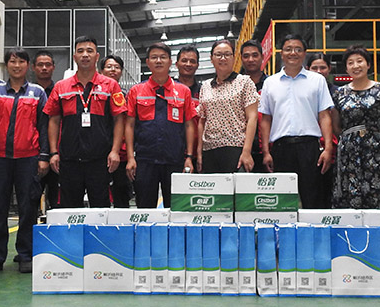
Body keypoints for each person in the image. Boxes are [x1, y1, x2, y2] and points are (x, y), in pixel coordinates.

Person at [0, 49, 50, 274]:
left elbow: (44, 127)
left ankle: (25, 255)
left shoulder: (37, 93)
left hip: (29, 159)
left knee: (28, 208)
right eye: (13, 62)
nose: (17, 66)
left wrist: (44, 156)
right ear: (6, 65)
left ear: (28, 66)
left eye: (21, 62)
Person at [45, 36, 127, 208]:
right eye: (80, 51)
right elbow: (53, 120)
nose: (85, 55)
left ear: (97, 56)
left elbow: (119, 119)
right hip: (69, 159)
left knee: (100, 209)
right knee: (69, 210)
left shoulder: (111, 86)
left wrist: (115, 151)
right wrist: (53, 153)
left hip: (100, 160)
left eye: (90, 51)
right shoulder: (61, 87)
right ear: (74, 57)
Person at [258, 33, 335, 209]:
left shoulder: (317, 81)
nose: (293, 53)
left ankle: (313, 227)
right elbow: (266, 119)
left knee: (312, 198)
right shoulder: (270, 83)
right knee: (282, 202)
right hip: (280, 149)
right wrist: (266, 152)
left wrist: (328, 148)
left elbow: (324, 116)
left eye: (298, 49)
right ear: (281, 53)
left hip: (310, 148)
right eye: (288, 49)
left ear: (304, 54)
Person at [125, 43, 197, 208]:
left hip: (175, 159)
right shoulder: (136, 91)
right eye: (154, 57)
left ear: (170, 62)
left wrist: (189, 157)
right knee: (145, 209)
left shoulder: (183, 91)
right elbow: (129, 125)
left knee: (176, 209)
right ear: (148, 62)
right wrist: (130, 158)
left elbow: (189, 125)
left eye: (163, 57)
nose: (159, 61)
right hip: (145, 160)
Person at [332, 46, 380, 210]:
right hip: (349, 152)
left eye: (359, 61)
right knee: (350, 193)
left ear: (368, 64)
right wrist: (348, 139)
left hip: (376, 150)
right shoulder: (340, 93)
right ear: (346, 68)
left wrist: (379, 139)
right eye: (350, 63)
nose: (355, 66)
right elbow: (336, 125)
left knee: (377, 191)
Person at [196, 39, 260, 173]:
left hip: (236, 148)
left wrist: (246, 151)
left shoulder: (244, 82)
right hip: (210, 151)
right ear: (211, 58)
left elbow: (252, 118)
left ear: (234, 57)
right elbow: (202, 120)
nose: (223, 58)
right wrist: (200, 153)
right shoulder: (206, 86)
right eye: (218, 54)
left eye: (227, 54)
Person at [100, 55, 131, 208]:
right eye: (109, 67)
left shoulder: (127, 95)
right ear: (101, 71)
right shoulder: (95, 93)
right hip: (99, 151)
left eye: (117, 67)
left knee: (121, 194)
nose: (113, 70)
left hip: (121, 154)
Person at [307, 52, 338, 207]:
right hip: (310, 149)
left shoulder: (338, 93)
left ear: (329, 69)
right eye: (315, 68)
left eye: (323, 67)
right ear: (308, 69)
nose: (319, 71)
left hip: (333, 150)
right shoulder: (304, 91)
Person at [32, 50, 59, 212]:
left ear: (53, 67)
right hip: (33, 155)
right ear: (33, 67)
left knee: (58, 203)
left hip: (57, 155)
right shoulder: (28, 92)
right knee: (30, 201)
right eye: (40, 65)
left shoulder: (60, 91)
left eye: (47, 65)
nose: (44, 68)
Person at [240, 39, 268, 172]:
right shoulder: (235, 86)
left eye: (255, 55)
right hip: (241, 149)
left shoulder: (271, 85)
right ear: (241, 59)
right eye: (246, 56)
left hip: (267, 149)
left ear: (262, 57)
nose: (250, 59)